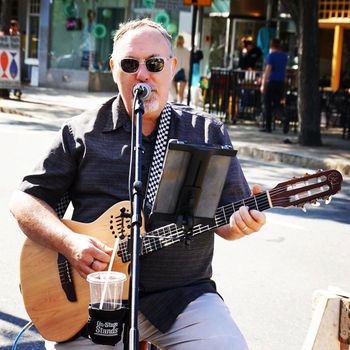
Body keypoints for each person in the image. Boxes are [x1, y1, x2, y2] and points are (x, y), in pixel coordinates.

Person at [9, 18, 266, 350]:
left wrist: (243, 223)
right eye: (130, 64)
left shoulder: (205, 133)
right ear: (114, 68)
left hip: (182, 299)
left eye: (154, 63)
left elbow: (228, 224)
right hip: (95, 300)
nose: (142, 74)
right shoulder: (81, 132)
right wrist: (70, 244)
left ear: (172, 67)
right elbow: (25, 201)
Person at [260, 38, 288, 133]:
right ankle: (284, 117)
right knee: (277, 103)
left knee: (267, 104)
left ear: (271, 46)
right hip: (281, 82)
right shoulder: (284, 56)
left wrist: (263, 84)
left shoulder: (271, 56)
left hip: (271, 82)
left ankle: (268, 127)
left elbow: (268, 70)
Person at [172, 34, 190, 103]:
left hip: (175, 72)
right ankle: (180, 103)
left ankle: (175, 100)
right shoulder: (187, 51)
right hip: (184, 72)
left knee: (175, 90)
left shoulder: (173, 50)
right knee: (181, 92)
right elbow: (188, 63)